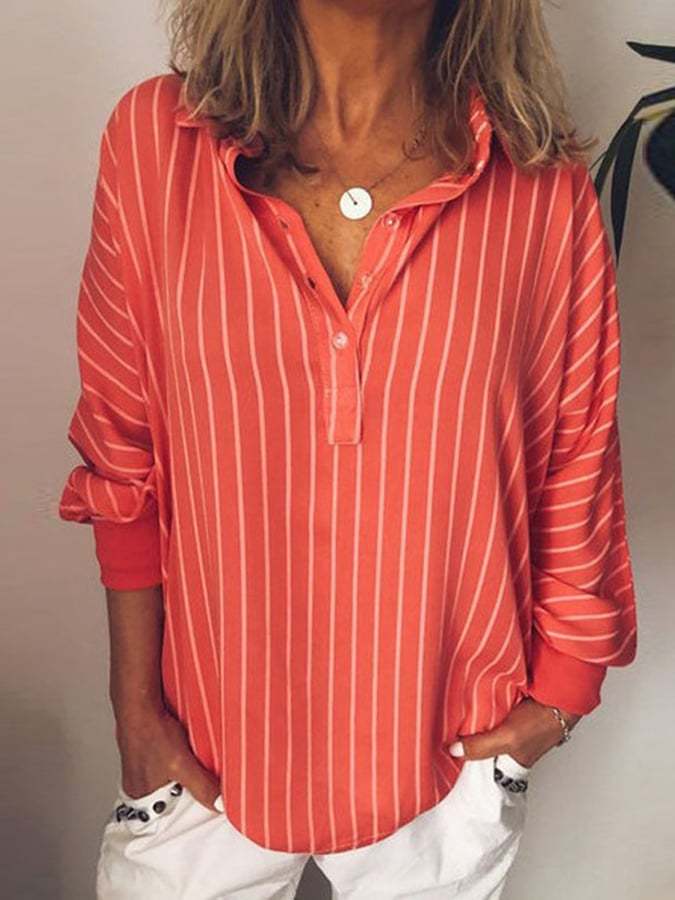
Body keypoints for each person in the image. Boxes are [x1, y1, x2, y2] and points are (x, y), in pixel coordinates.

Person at [58, 1, 639, 897]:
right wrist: (134, 711)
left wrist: (560, 699)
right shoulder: (158, 142)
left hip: (449, 748)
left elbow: (575, 452)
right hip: (203, 743)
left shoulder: (536, 186)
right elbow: (121, 442)